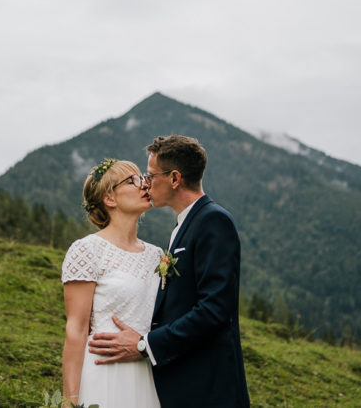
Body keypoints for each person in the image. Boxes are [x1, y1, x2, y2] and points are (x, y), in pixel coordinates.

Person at [88, 135, 250, 407]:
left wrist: (145, 344)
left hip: (210, 388)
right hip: (183, 384)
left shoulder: (213, 220)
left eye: (151, 175)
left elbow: (214, 310)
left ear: (174, 178)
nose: (146, 183)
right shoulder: (184, 225)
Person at [61, 158, 162, 408]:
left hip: (148, 375)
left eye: (143, 178)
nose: (144, 184)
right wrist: (69, 401)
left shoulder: (158, 256)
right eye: (132, 181)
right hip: (104, 374)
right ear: (109, 199)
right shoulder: (87, 250)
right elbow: (76, 330)